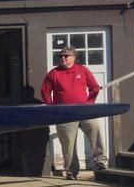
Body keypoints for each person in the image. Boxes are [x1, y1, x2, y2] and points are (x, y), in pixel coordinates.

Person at [40, 46, 107, 179]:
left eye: (66, 56)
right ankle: (71, 171)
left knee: (95, 129)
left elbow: (94, 88)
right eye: (61, 56)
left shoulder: (82, 70)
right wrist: (52, 107)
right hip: (64, 113)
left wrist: (89, 103)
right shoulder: (54, 73)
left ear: (74, 57)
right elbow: (45, 91)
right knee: (68, 142)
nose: (63, 58)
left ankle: (100, 162)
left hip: (84, 111)